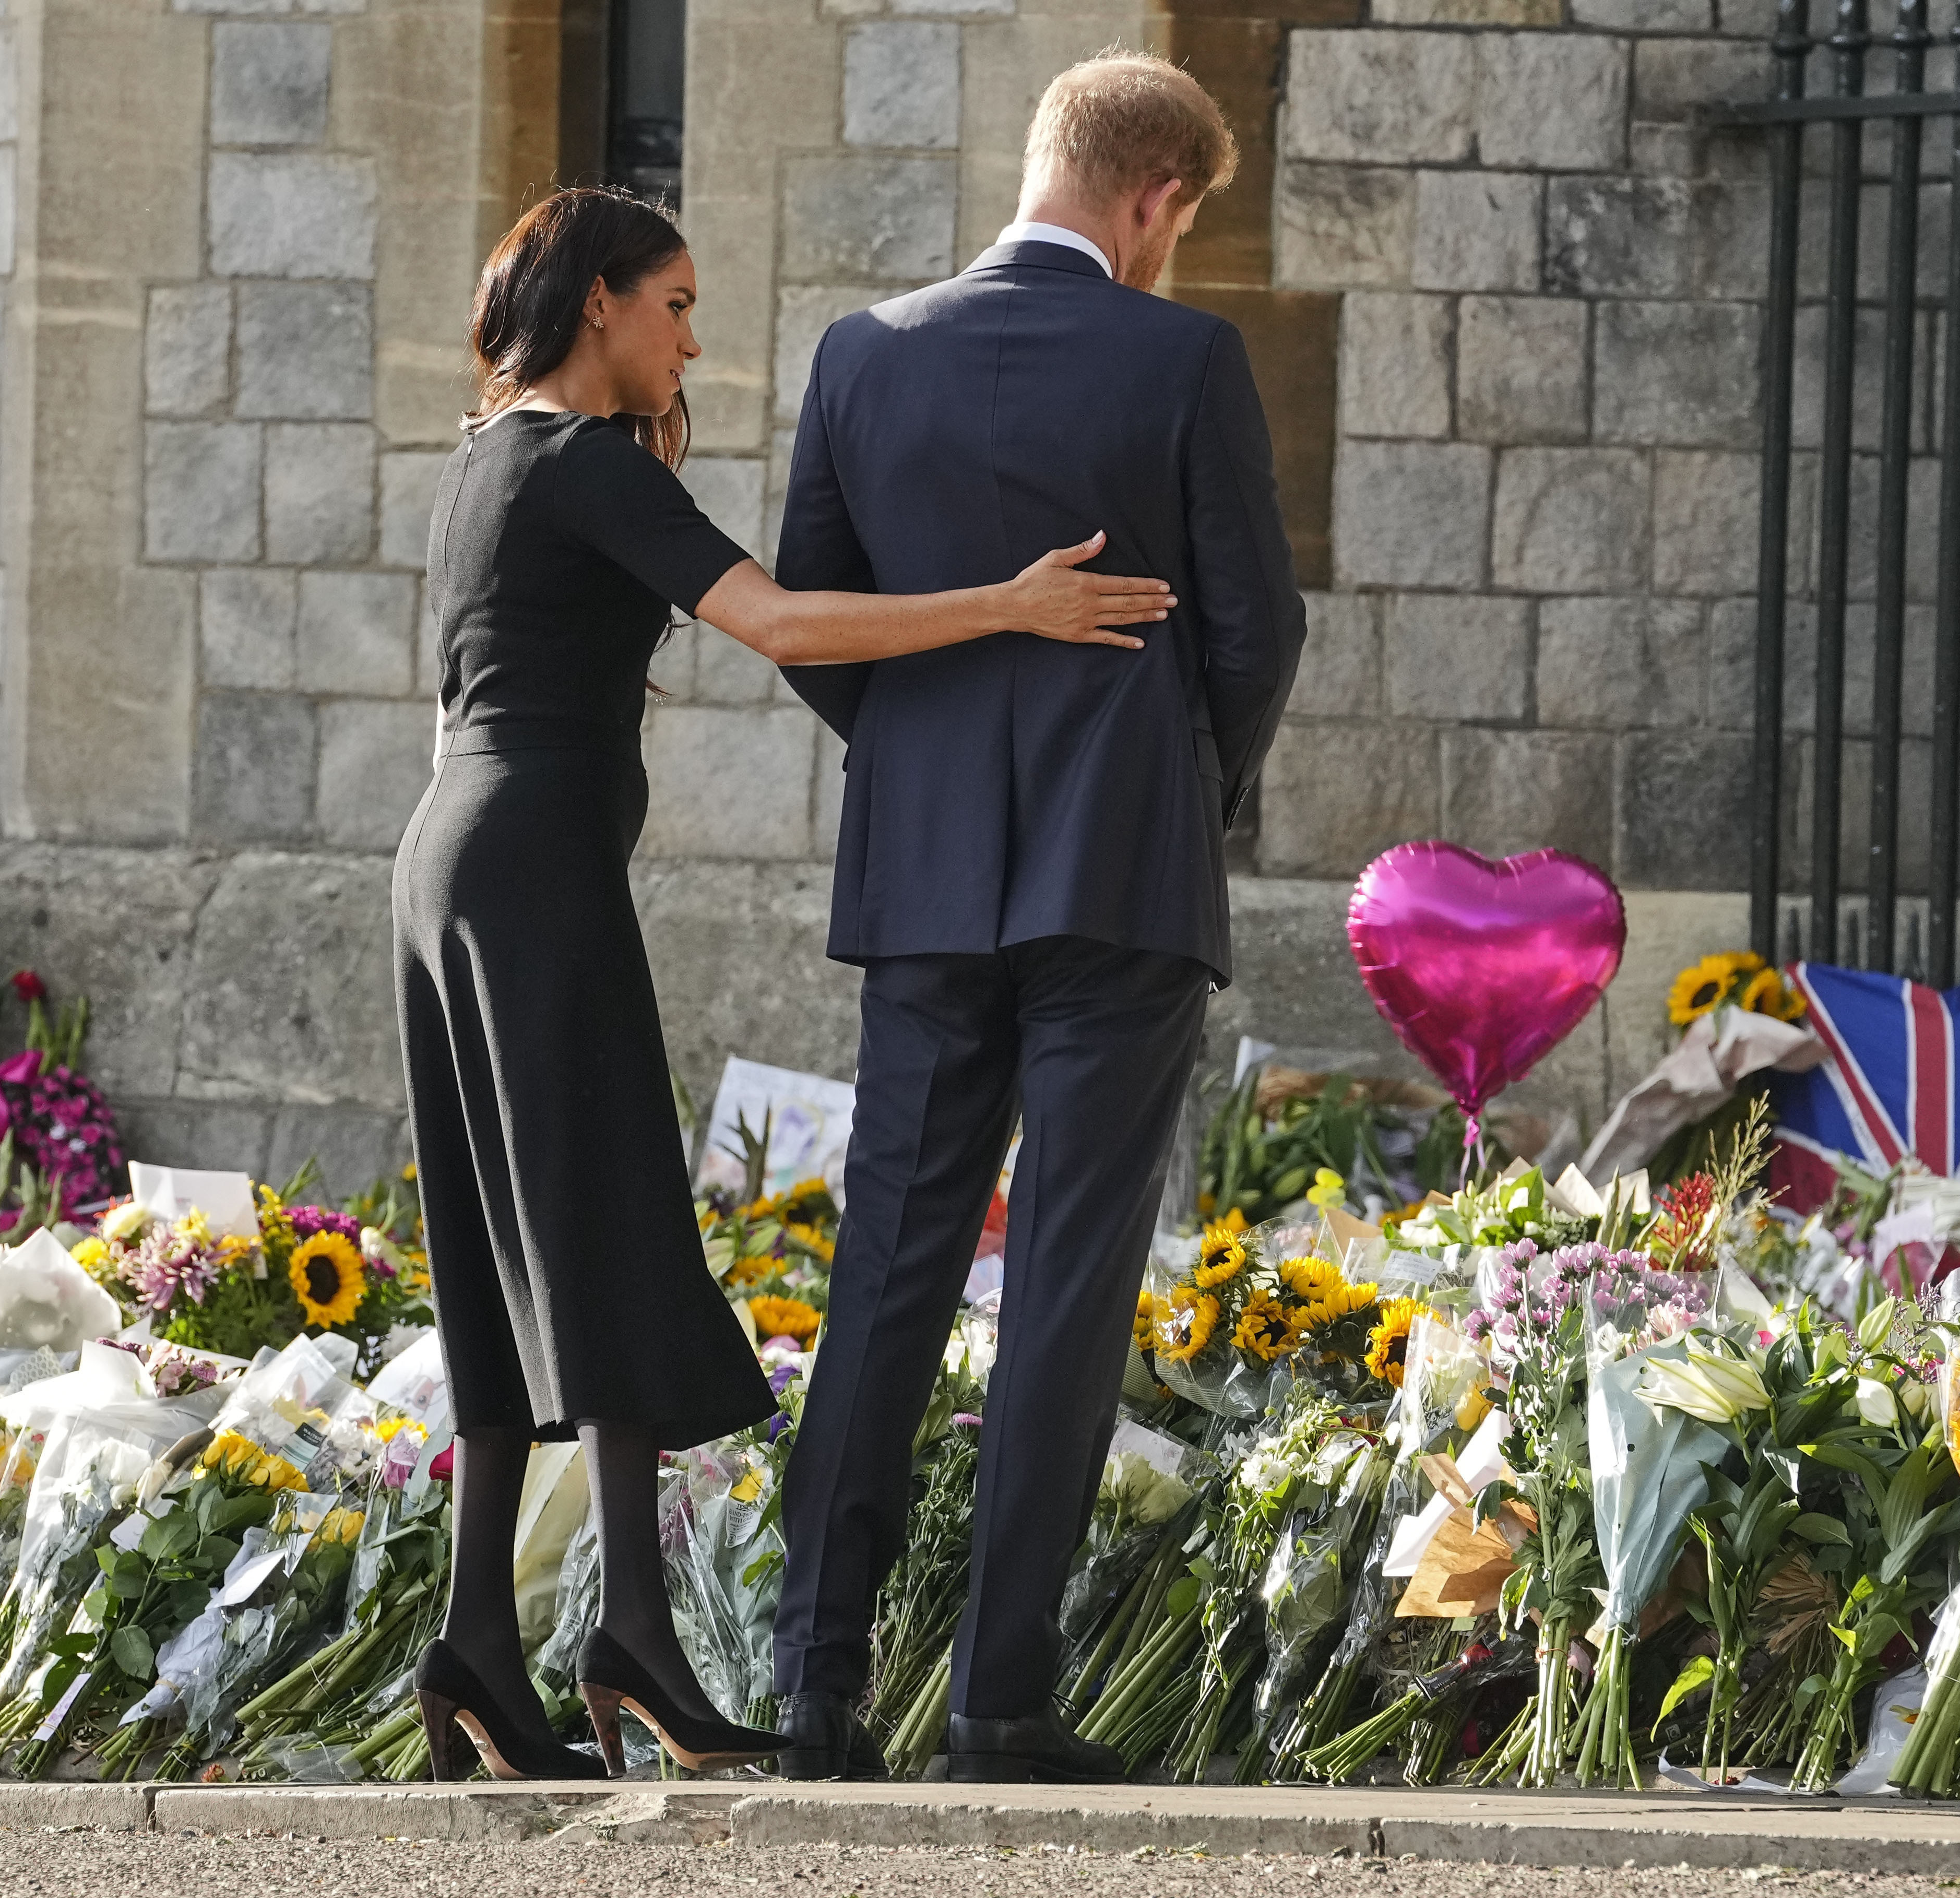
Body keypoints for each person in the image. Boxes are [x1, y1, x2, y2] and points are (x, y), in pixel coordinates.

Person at [394, 185, 1173, 1783]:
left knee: (508, 1242)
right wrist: (1009, 605)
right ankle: (624, 1646)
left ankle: (492, 1636)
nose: (692, 336)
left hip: (451, 862)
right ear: (600, 302)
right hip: (531, 869)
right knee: (603, 1220)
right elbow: (779, 621)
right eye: (673, 304)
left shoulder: (487, 459)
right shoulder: (583, 462)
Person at [768, 51, 1305, 1784]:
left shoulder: (861, 355)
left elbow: (820, 617)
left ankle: (814, 1688)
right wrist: (1175, 778)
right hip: (1119, 879)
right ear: (1155, 197)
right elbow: (1255, 628)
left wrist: (926, 766)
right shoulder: (1183, 357)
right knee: (1066, 1277)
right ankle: (1000, 1704)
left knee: (886, 1266)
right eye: (1180, 221)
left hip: (921, 885)